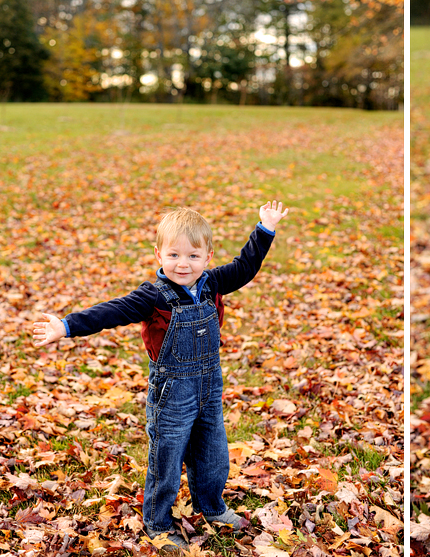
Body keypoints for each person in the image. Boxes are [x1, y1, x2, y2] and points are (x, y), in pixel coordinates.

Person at [32, 202, 289, 554]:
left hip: (209, 387)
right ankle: (158, 522)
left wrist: (265, 229)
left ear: (208, 256)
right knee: (166, 458)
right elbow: (113, 310)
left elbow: (246, 267)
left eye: (193, 256)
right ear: (158, 254)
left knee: (213, 454)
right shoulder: (153, 296)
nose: (183, 264)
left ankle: (211, 507)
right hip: (173, 392)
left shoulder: (213, 282)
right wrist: (66, 326)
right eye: (174, 255)